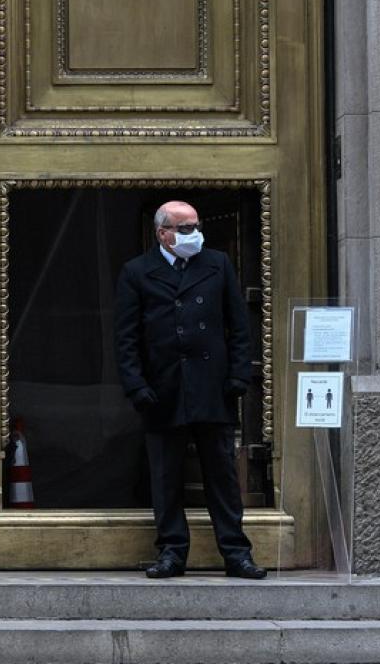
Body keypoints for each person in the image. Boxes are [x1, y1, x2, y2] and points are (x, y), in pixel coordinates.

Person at [114, 200, 266, 580]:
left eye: (195, 226)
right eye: (184, 229)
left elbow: (239, 326)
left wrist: (237, 376)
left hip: (212, 387)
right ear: (162, 233)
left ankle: (236, 553)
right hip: (163, 389)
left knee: (222, 478)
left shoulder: (217, 264)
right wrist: (137, 386)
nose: (193, 234)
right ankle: (171, 552)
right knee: (165, 477)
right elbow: (126, 338)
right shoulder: (137, 272)